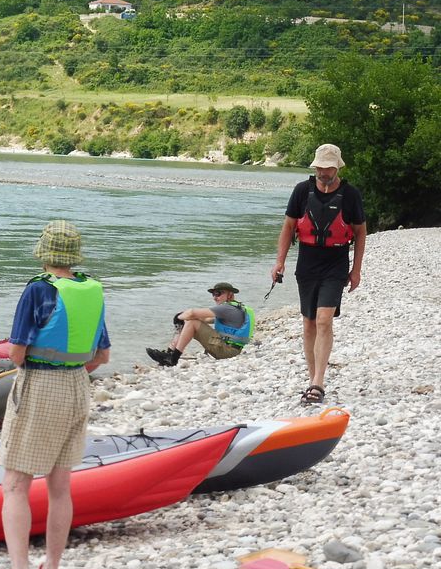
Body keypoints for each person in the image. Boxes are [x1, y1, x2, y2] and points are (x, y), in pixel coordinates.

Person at [0, 220, 111, 569]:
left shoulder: (38, 289)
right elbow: (102, 355)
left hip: (40, 385)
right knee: (60, 485)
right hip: (77, 386)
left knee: (15, 484)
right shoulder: (91, 289)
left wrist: (32, 364)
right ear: (74, 255)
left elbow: (18, 352)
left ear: (44, 252)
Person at [272, 144, 366, 404]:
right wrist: (279, 262)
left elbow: (359, 232)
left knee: (324, 320)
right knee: (309, 322)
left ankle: (318, 382)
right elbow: (289, 226)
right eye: (320, 167)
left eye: (329, 167)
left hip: (335, 263)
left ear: (338, 167)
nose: (324, 172)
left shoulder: (350, 195)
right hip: (307, 262)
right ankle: (312, 377)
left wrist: (356, 269)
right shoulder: (302, 191)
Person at [145, 282, 254, 366]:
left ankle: (173, 358)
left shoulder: (226, 308)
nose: (215, 297)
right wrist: (184, 319)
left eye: (218, 293)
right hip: (230, 350)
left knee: (191, 321)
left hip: (226, 351)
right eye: (213, 294)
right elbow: (206, 320)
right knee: (190, 321)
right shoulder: (237, 308)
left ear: (230, 295)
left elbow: (192, 313)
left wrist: (178, 317)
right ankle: (169, 353)